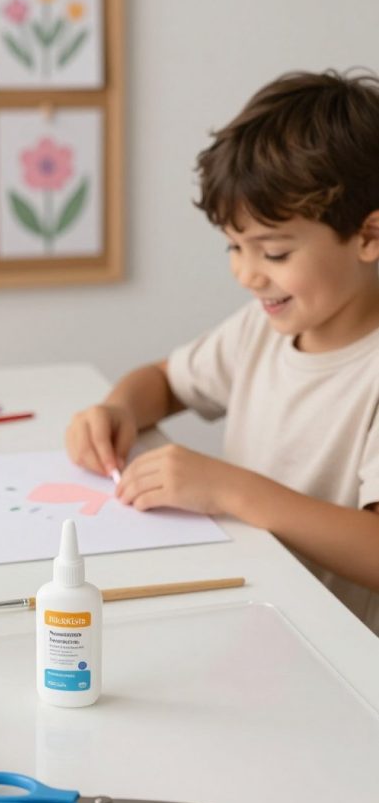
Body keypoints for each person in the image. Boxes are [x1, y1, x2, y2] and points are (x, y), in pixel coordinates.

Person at [65, 70, 379, 634]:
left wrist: (230, 489)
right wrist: (119, 410)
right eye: (235, 247)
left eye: (274, 252)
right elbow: (164, 380)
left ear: (370, 236)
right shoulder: (264, 330)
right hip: (255, 622)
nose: (246, 274)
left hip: (339, 659)